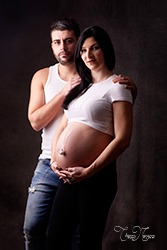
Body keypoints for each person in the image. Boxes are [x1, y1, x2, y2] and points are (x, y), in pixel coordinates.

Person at [23, 17, 137, 250]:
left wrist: (90, 170)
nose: (88, 54)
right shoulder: (68, 84)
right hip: (57, 168)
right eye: (84, 50)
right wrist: (55, 159)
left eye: (93, 47)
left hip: (92, 173)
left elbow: (122, 136)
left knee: (84, 240)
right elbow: (53, 123)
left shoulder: (112, 85)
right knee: (45, 233)